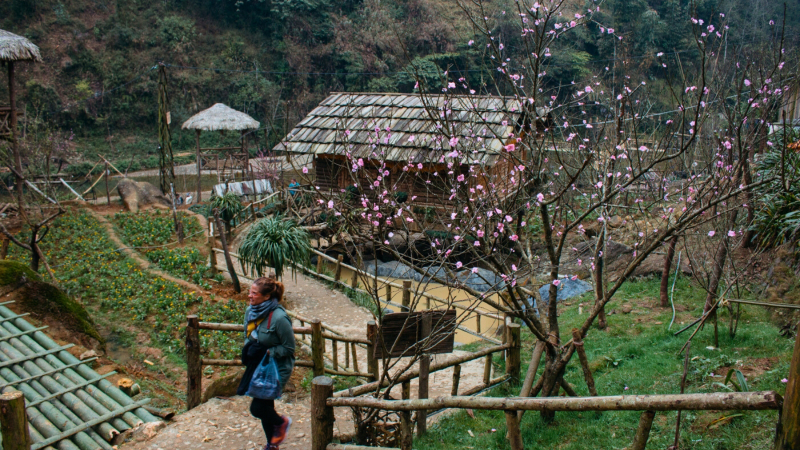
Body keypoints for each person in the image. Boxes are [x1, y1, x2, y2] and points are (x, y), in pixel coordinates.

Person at [237, 277, 296, 449]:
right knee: (265, 405)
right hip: (259, 366)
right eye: (250, 292)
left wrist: (269, 351)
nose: (249, 296)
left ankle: (282, 423)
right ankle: (272, 445)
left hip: (277, 368)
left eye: (254, 293)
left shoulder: (279, 318)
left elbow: (289, 348)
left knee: (257, 407)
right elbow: (248, 336)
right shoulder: (251, 311)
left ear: (267, 296)